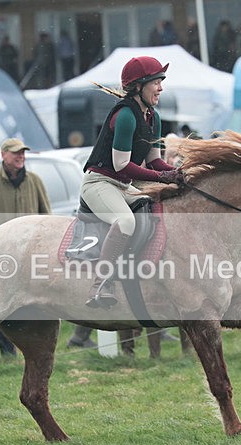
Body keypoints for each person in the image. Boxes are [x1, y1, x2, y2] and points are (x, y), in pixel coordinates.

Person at [81, 55, 183, 308]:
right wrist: (162, 178)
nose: (161, 87)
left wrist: (182, 173)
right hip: (99, 183)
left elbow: (155, 161)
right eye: (156, 82)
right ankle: (100, 284)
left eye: (161, 82)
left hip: (123, 186)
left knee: (158, 209)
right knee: (125, 221)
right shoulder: (125, 115)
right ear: (138, 86)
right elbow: (121, 165)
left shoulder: (153, 117)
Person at [0, 138, 52, 356]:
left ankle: (35, 350)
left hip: (32, 253)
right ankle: (7, 353)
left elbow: (46, 214)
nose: (21, 156)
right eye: (16, 153)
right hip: (3, 252)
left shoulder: (34, 181)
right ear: (3, 155)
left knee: (36, 301)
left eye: (23, 152)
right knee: (2, 301)